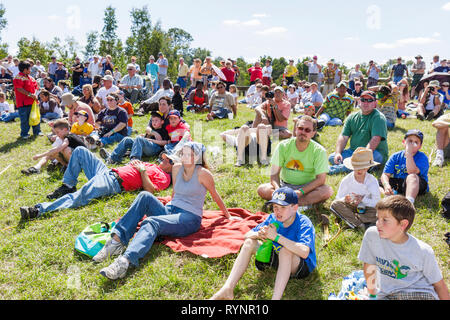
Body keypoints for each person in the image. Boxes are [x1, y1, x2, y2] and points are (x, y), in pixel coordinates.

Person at [94, 142, 232, 280]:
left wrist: (228, 216)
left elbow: (215, 196)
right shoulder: (177, 168)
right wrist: (167, 205)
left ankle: (124, 262)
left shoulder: (203, 174)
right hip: (171, 211)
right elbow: (175, 193)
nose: (184, 156)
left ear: (197, 157)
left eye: (189, 154)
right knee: (144, 196)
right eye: (182, 153)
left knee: (151, 222)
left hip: (189, 218)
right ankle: (117, 241)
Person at [211, 187, 316, 300]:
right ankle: (227, 288)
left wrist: (276, 237)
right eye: (275, 207)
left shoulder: (303, 222)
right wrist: (259, 235)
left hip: (299, 265)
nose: (278, 211)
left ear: (295, 208)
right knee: (249, 242)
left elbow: (304, 252)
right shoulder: (272, 218)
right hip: (279, 259)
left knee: (286, 251)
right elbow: (247, 235)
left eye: (283, 207)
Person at [19, 146, 174, 220]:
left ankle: (38, 210)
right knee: (80, 150)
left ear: (173, 166)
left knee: (79, 198)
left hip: (113, 182)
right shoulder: (154, 165)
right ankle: (68, 185)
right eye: (166, 157)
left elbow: (151, 190)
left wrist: (142, 171)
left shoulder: (165, 178)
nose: (165, 158)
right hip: (107, 171)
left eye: (169, 160)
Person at [358, 195, 450, 300]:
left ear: (403, 224)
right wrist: (372, 294)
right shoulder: (372, 235)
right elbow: (369, 266)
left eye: (385, 220)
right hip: (386, 294)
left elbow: (439, 284)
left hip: (417, 293)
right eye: (378, 218)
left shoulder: (423, 251)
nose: (378, 224)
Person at [257, 116, 333, 208]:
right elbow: (274, 174)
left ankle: (283, 203)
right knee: (262, 189)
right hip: (284, 186)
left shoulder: (319, 151)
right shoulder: (283, 146)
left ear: (313, 133)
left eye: (307, 130)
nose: (303, 132)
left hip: (307, 188)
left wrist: (301, 192)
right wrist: (278, 190)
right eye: (300, 128)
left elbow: (321, 179)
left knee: (327, 191)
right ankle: (298, 204)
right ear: (296, 129)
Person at [329, 90, 388, 175]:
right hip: (353, 151)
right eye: (363, 100)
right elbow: (344, 136)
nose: (366, 103)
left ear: (375, 103)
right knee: (332, 157)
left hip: (374, 152)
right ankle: (362, 166)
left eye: (370, 100)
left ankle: (332, 170)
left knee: (362, 162)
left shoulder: (378, 117)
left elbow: (375, 139)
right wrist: (338, 153)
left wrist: (364, 156)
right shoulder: (352, 117)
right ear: (359, 102)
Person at [100, 97, 172, 164]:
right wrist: (154, 133)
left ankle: (134, 161)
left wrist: (150, 139)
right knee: (127, 139)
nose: (161, 106)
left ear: (169, 106)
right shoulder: (157, 116)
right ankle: (112, 158)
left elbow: (167, 142)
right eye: (160, 104)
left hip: (155, 147)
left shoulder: (170, 120)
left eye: (164, 104)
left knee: (139, 139)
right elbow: (147, 129)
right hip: (146, 143)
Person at [330, 147, 381, 230]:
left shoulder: (372, 181)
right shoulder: (347, 180)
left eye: (363, 167)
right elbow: (338, 198)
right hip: (350, 207)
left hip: (366, 208)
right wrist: (345, 200)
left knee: (380, 211)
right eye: (357, 167)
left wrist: (362, 199)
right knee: (335, 204)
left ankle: (352, 220)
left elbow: (377, 202)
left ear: (368, 167)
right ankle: (359, 224)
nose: (359, 170)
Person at [380, 130, 429, 206]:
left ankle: (409, 202)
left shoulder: (422, 157)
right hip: (400, 182)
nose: (412, 144)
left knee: (412, 177)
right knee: (376, 182)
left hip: (417, 184)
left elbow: (412, 171)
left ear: (420, 146)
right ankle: (389, 195)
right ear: (404, 142)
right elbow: (385, 174)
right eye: (410, 141)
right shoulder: (396, 156)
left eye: (416, 142)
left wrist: (409, 153)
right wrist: (386, 185)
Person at [21, 119, 87, 175]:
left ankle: (74, 169)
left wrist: (39, 156)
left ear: (65, 129)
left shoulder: (69, 137)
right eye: (56, 133)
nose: (57, 135)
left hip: (83, 159)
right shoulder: (64, 137)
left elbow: (58, 149)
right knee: (55, 152)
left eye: (58, 132)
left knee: (65, 149)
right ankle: (66, 166)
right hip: (75, 157)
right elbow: (54, 151)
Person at [13, 60, 40, 139]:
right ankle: (24, 134)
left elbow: (36, 87)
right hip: (23, 103)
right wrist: (30, 95)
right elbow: (19, 89)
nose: (30, 70)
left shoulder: (31, 78)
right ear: (25, 69)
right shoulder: (18, 78)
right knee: (25, 119)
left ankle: (37, 131)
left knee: (35, 116)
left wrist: (35, 94)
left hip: (33, 101)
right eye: (29, 68)